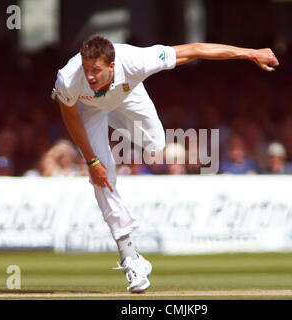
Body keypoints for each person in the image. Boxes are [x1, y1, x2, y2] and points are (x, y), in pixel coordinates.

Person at [52, 35, 279, 293]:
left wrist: (251, 52)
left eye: (96, 70)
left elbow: (195, 49)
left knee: (156, 145)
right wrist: (92, 161)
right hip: (90, 110)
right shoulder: (69, 78)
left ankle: (115, 122)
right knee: (101, 176)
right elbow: (70, 115)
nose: (90, 76)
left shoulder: (136, 61)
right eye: (87, 69)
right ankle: (130, 259)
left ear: (112, 66)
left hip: (126, 96)